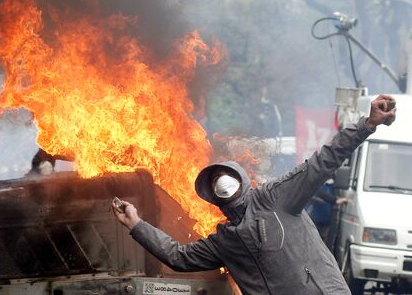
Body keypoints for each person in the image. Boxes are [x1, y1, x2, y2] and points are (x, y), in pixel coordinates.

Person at [113, 95, 396, 294]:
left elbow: (323, 161)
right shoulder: (226, 239)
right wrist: (136, 225)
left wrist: (367, 125)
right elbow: (179, 257)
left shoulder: (274, 198)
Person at [306, 179, 348, 246]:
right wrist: (335, 200)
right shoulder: (317, 180)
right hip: (313, 219)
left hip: (326, 221)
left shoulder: (333, 184)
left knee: (322, 243)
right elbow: (320, 192)